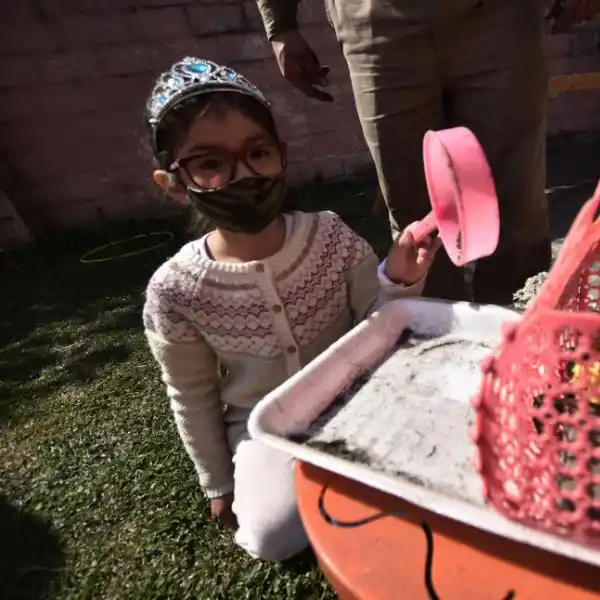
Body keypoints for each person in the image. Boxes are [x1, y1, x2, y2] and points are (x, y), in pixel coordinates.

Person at [142, 57, 440, 561]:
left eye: (258, 153)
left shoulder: (329, 236)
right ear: (173, 183)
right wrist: (217, 481)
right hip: (268, 428)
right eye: (211, 164)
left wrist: (399, 277)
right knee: (269, 537)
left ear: (280, 156)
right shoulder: (173, 290)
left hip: (360, 399)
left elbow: (377, 323)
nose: (243, 175)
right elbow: (190, 393)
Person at [255, 0, 553, 304]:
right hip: (376, 23)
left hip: (501, 15)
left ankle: (526, 335)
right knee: (416, 224)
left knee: (516, 206)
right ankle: (441, 340)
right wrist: (281, 25)